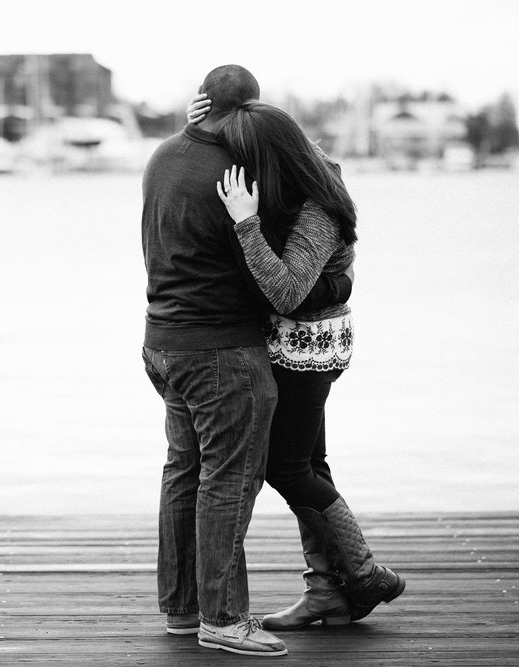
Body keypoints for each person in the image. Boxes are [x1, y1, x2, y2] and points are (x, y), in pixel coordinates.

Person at [141, 65, 352, 657]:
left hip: (163, 343)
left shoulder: (162, 156)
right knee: (228, 483)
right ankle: (225, 619)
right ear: (247, 112)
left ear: (203, 105)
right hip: (222, 352)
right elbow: (317, 178)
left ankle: (183, 611)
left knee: (183, 473)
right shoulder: (240, 175)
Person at [186, 95, 406, 629]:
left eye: (240, 157)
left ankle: (367, 571)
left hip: (307, 348)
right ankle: (327, 593)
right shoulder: (299, 172)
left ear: (270, 155)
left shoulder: (317, 205)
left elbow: (285, 292)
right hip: (296, 342)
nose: (233, 169)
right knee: (311, 463)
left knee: (286, 468)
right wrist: (194, 130)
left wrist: (245, 222)